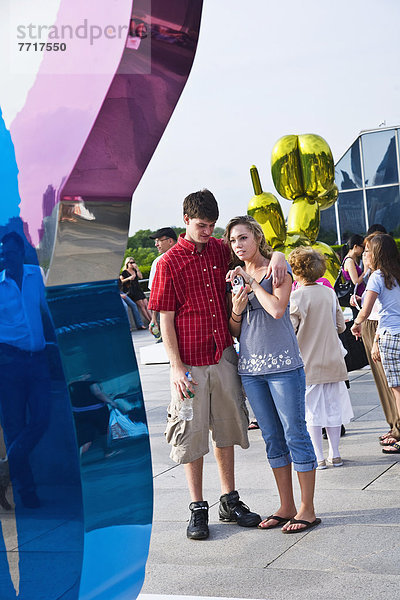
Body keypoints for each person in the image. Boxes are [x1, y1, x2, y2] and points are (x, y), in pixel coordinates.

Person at [148, 190, 287, 540]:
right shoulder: (168, 263)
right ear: (186, 220)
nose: (208, 231)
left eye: (212, 225)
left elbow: (255, 249)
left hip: (224, 353)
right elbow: (165, 317)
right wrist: (175, 365)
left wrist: (281, 255)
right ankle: (197, 507)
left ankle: (229, 499)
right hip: (189, 363)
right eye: (201, 225)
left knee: (226, 428)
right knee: (191, 435)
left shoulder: (219, 251)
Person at [224, 216, 320, 534]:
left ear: (257, 237)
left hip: (284, 367)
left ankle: (307, 508)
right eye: (233, 240)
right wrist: (237, 308)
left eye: (243, 238)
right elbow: (235, 330)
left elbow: (278, 309)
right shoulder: (236, 279)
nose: (238, 245)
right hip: (251, 371)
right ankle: (287, 505)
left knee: (295, 433)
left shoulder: (278, 268)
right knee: (272, 438)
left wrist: (253, 283)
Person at [0, 232, 53, 508]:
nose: (7, 257)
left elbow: (48, 312)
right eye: (3, 253)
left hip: (38, 359)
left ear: (21, 253)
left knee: (43, 418)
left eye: (11, 252)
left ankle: (5, 467)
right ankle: (27, 494)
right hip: (8, 363)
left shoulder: (36, 275)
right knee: (14, 425)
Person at [288, 247, 353, 469]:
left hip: (308, 362)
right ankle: (335, 453)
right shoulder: (329, 293)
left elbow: (291, 330)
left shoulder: (296, 297)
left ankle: (319, 456)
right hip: (333, 359)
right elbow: (340, 326)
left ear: (297, 271)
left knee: (312, 412)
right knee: (333, 408)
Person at [351, 234, 400, 455]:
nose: (364, 254)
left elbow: (368, 310)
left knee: (397, 390)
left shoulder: (377, 276)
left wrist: (357, 322)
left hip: (391, 336)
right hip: (391, 331)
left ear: (377, 254)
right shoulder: (395, 274)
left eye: (368, 250)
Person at [148, 227, 177, 338]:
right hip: (168, 314)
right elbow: (155, 294)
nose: (156, 244)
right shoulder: (157, 262)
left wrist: (154, 318)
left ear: (170, 241)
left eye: (159, 241)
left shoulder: (160, 262)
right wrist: (154, 318)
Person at [120, 257, 152, 322]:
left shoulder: (135, 270)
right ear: (127, 263)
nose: (132, 264)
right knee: (142, 306)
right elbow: (121, 281)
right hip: (132, 291)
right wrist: (129, 278)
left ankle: (153, 320)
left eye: (133, 262)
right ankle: (150, 322)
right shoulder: (124, 272)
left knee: (147, 304)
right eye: (131, 262)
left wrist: (137, 269)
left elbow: (141, 277)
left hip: (138, 289)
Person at [341, 234, 366, 317]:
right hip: (356, 296)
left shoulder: (352, 260)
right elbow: (356, 281)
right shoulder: (349, 261)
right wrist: (365, 271)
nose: (363, 250)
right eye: (362, 247)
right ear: (355, 246)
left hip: (358, 295)